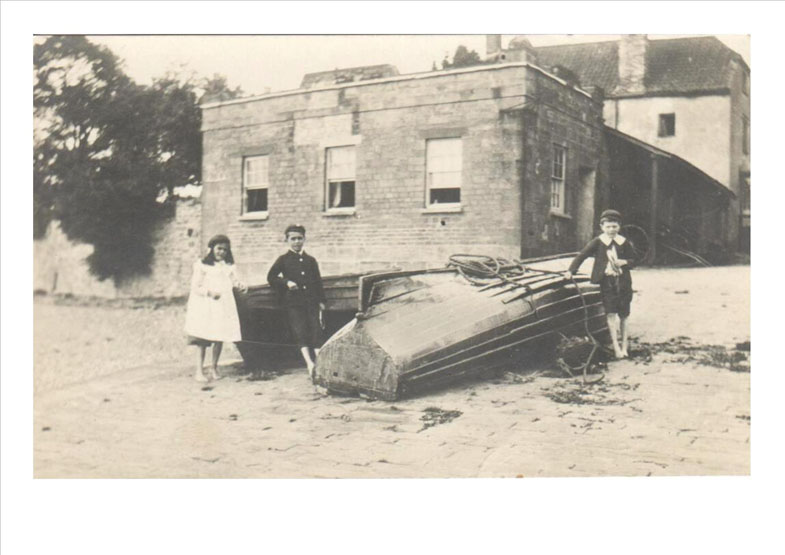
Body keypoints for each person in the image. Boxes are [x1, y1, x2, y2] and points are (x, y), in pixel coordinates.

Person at [564, 209, 636, 359]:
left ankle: (624, 346)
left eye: (614, 226)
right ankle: (616, 347)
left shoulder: (623, 242)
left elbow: (635, 260)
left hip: (623, 282)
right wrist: (571, 270)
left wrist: (625, 262)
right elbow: (582, 255)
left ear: (619, 226)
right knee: (610, 312)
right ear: (602, 227)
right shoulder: (599, 241)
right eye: (608, 226)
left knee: (624, 313)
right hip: (607, 282)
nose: (611, 230)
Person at [184, 234, 247, 382]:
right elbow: (195, 286)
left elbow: (234, 281)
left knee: (219, 336)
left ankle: (214, 367)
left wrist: (241, 285)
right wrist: (209, 292)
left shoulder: (228, 266)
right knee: (203, 338)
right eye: (219, 249)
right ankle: (199, 371)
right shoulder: (202, 265)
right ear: (211, 249)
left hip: (223, 305)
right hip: (206, 305)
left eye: (225, 250)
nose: (221, 252)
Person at [267, 224, 326, 379]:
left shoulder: (311, 260)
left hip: (311, 302)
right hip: (294, 303)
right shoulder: (283, 260)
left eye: (300, 238)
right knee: (300, 331)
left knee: (316, 330)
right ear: (287, 240)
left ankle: (319, 363)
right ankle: (309, 363)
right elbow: (271, 277)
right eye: (293, 239)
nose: (297, 242)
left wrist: (321, 301)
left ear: (304, 239)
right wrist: (287, 282)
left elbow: (318, 281)